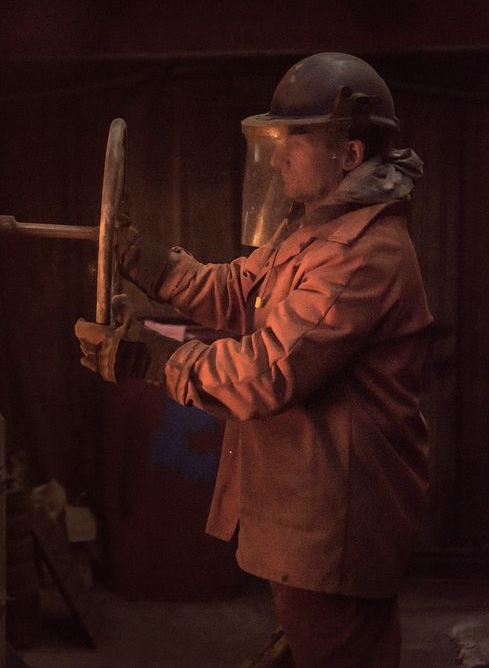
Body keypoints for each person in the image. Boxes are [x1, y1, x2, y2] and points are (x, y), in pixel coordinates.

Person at [75, 52, 432, 667]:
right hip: (311, 509)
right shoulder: (319, 232)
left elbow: (266, 372)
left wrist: (150, 361)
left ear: (348, 156)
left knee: (340, 649)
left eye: (294, 142)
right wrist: (143, 259)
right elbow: (239, 292)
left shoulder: (363, 256)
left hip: (337, 519)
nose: (274, 157)